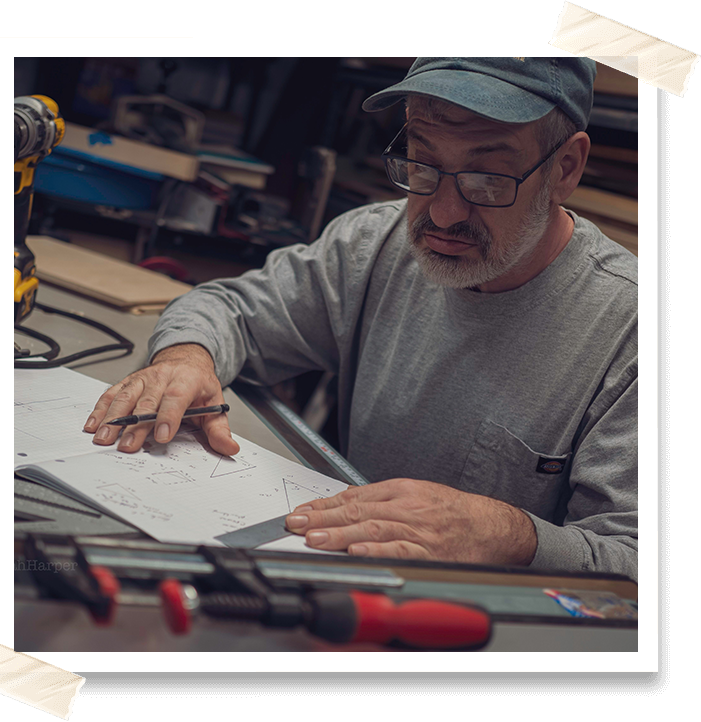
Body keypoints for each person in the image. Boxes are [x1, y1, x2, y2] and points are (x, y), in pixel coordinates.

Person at [84, 58, 637, 581]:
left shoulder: (638, 331)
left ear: (566, 167)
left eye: (488, 179)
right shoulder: (377, 242)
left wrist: (513, 535)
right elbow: (230, 310)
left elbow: (649, 566)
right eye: (421, 165)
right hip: (342, 583)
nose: (443, 214)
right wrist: (186, 358)